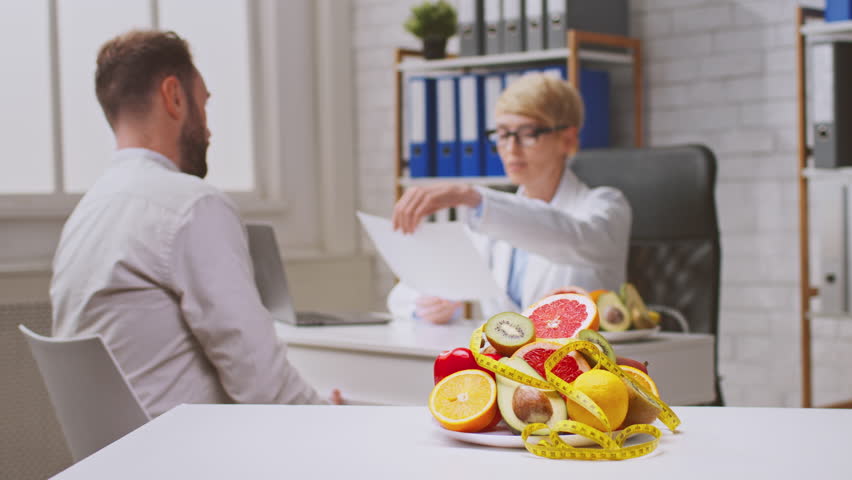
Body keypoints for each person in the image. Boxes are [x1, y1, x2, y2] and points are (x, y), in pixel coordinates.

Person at [50, 29, 340, 417]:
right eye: (203, 105)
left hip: (120, 460)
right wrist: (331, 419)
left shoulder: (87, 214)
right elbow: (261, 382)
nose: (208, 129)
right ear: (174, 96)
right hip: (188, 459)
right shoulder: (191, 206)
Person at [387, 73, 632, 324]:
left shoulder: (606, 207)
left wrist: (471, 196)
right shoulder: (488, 221)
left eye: (528, 133)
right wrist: (428, 306)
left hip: (579, 360)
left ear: (567, 139)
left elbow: (569, 235)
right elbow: (404, 294)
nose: (511, 149)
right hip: (504, 361)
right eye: (503, 134)